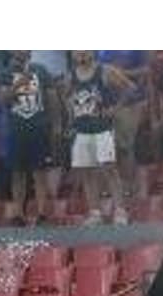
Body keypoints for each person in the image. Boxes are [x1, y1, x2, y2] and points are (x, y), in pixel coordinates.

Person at [66, 51, 135, 226]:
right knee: (87, 172)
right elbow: (67, 99)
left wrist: (115, 108)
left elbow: (130, 88)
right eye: (77, 50)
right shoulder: (70, 76)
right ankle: (95, 212)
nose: (81, 53)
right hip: (81, 130)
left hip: (102, 129)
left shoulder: (105, 71)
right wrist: (71, 119)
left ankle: (120, 210)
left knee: (109, 169)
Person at [0, 51, 60, 225]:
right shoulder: (5, 73)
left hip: (38, 126)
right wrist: (18, 83)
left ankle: (41, 214)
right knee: (18, 173)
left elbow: (52, 97)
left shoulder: (41, 70)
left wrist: (56, 124)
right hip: (16, 128)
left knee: (39, 171)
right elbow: (3, 99)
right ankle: (18, 214)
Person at [97, 51, 151, 203]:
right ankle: (110, 188)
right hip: (106, 106)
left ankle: (128, 187)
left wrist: (123, 73)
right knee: (108, 148)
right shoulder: (99, 49)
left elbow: (147, 70)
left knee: (125, 147)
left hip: (131, 103)